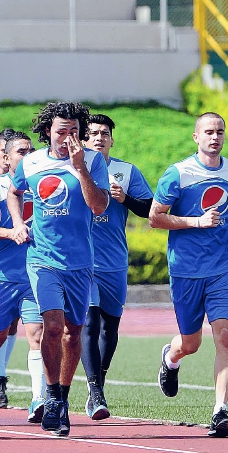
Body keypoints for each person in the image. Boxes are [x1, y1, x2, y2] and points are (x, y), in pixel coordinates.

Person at [7, 102, 109, 437]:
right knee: (52, 327)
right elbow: (14, 191)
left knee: (73, 333)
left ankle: (62, 398)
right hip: (42, 259)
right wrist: (19, 222)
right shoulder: (33, 162)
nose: (67, 138)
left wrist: (80, 170)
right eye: (61, 131)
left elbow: (98, 206)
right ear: (48, 131)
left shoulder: (93, 161)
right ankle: (51, 395)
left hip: (80, 262)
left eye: (74, 132)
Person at [149, 111, 228, 438]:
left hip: (222, 268)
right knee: (191, 343)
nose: (214, 137)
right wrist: (196, 222)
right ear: (196, 137)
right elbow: (155, 217)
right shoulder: (177, 174)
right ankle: (170, 357)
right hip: (186, 270)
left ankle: (220, 411)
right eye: (208, 132)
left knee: (225, 335)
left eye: (219, 131)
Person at [82, 114, 153, 420]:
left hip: (114, 261)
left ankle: (100, 379)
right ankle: (95, 392)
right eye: (93, 133)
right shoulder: (76, 169)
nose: (99, 137)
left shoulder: (125, 172)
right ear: (84, 139)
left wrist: (125, 199)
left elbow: (151, 209)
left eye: (105, 133)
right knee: (90, 322)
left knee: (110, 327)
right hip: (83, 261)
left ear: (112, 139)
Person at [0, 130, 39, 410]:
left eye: (31, 150)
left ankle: (40, 399)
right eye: (21, 152)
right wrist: (10, 233)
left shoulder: (43, 182)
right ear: (6, 157)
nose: (28, 156)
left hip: (37, 272)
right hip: (1, 274)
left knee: (37, 333)